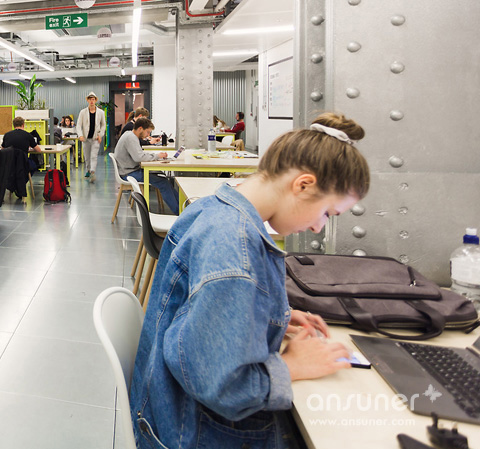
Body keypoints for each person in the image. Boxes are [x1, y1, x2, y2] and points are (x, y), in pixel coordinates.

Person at [129, 113, 370, 449]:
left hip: (170, 414)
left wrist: (267, 313)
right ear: (303, 185)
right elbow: (223, 387)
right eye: (327, 213)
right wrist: (293, 365)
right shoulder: (234, 249)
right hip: (190, 432)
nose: (319, 227)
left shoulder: (214, 206)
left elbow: (201, 310)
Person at [113, 118, 180, 213]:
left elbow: (139, 154)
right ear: (140, 129)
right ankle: (179, 212)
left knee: (163, 179)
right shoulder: (131, 138)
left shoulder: (129, 135)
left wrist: (155, 156)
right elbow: (138, 157)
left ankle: (181, 208)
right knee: (163, 183)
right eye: (147, 132)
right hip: (129, 174)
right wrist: (157, 156)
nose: (148, 135)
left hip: (129, 170)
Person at [76, 91, 106, 182]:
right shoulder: (83, 112)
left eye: (93, 99)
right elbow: (78, 125)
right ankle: (88, 170)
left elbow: (103, 125)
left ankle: (92, 172)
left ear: (95, 100)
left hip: (95, 138)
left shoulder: (100, 112)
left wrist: (100, 135)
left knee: (93, 156)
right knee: (87, 156)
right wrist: (80, 135)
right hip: (85, 138)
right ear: (87, 100)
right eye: (90, 99)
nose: (92, 101)